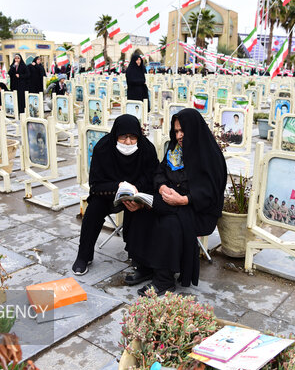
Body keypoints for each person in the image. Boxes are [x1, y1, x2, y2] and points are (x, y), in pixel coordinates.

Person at [126, 109, 227, 296]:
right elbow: (159, 172)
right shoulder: (174, 151)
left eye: (183, 131)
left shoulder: (209, 155)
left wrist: (184, 199)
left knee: (168, 223)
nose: (179, 136)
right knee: (141, 210)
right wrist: (163, 186)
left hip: (197, 210)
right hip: (169, 201)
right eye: (176, 131)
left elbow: (211, 192)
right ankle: (146, 266)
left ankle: (164, 280)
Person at [71, 114, 159, 276]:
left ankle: (138, 256)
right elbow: (95, 185)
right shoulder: (103, 148)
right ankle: (84, 255)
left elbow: (153, 178)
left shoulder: (147, 149)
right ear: (115, 135)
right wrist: (117, 186)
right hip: (108, 194)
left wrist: (135, 189)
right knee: (93, 210)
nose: (128, 142)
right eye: (123, 137)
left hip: (137, 195)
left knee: (143, 210)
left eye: (133, 137)